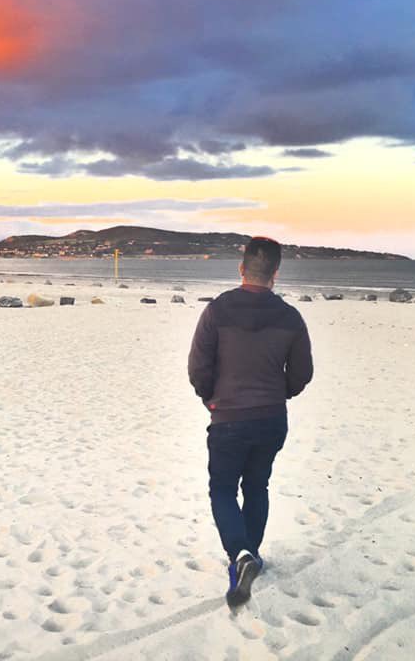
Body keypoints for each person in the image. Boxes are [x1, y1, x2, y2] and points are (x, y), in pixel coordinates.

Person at [188, 236, 313, 610]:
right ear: (276, 272)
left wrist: (209, 397)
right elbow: (302, 373)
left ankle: (241, 555)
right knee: (257, 486)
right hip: (271, 418)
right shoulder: (291, 316)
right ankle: (251, 556)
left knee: (223, 489)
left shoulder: (218, 310)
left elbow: (198, 367)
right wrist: (282, 393)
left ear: (242, 268)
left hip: (228, 417)